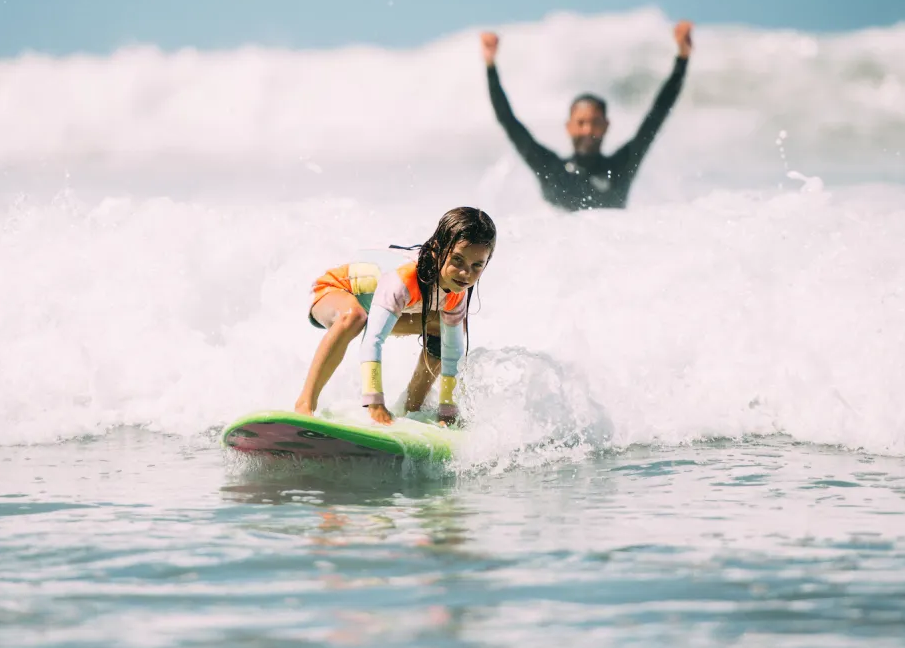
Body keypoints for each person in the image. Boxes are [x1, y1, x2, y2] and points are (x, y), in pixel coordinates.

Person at [294, 207, 496, 426]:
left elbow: (453, 353)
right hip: (332, 291)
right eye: (457, 260)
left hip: (375, 308)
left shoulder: (457, 293)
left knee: (440, 327)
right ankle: (305, 405)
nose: (466, 274)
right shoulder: (405, 278)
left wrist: (447, 408)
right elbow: (373, 340)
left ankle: (412, 408)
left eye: (477, 265)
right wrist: (375, 403)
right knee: (354, 317)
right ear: (438, 250)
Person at [481, 21, 694, 211]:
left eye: (595, 122)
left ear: (606, 125)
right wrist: (490, 65)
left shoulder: (621, 167)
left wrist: (682, 58)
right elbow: (508, 120)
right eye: (581, 122)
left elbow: (656, 117)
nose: (588, 130)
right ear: (568, 126)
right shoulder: (550, 170)